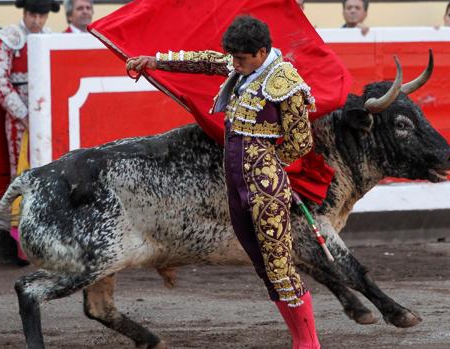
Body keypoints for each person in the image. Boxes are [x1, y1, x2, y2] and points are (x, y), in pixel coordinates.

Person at [126, 15, 320, 349]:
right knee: (263, 265)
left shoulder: (286, 81)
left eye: (241, 59)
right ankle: (301, 339)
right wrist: (154, 62)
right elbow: (206, 60)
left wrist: (269, 163)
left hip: (264, 187)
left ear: (261, 52)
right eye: (234, 58)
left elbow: (301, 141)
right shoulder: (241, 68)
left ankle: (308, 343)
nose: (234, 64)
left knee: (278, 264)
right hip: (236, 182)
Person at [0, 0, 59, 263]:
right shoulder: (9, 38)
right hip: (21, 122)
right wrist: (25, 115)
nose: (37, 21)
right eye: (32, 15)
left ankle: (48, 241)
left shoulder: (50, 37)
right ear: (24, 12)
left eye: (41, 16)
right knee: (22, 175)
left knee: (50, 177)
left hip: (49, 119)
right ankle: (21, 247)